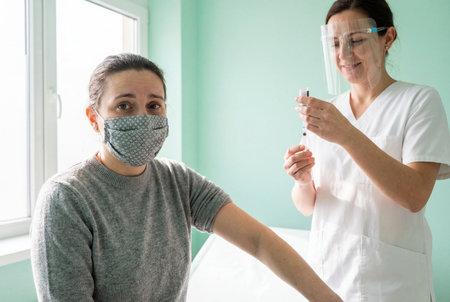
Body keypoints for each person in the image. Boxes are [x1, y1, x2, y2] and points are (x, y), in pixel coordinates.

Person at [30, 53, 342, 302]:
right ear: (93, 119)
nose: (142, 117)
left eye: (154, 105)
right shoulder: (65, 199)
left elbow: (260, 241)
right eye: (124, 106)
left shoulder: (177, 181)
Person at [284, 0, 450, 301]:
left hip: (392, 283)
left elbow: (414, 196)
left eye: (357, 40)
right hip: (328, 276)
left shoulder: (419, 102)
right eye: (335, 43)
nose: (344, 54)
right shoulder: (328, 112)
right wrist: (302, 179)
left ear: (387, 38)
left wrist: (347, 135)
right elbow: (308, 206)